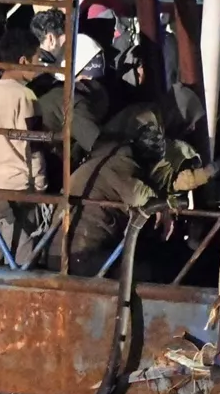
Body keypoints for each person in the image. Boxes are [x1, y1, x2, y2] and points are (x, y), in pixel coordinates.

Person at [48, 112, 163, 276]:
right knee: (146, 272)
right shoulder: (121, 164)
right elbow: (139, 196)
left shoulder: (99, 161)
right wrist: (163, 207)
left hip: (56, 255)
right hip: (80, 257)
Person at [0, 28, 49, 266]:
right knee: (24, 258)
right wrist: (41, 185)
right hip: (19, 187)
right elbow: (34, 146)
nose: (40, 65)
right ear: (23, 61)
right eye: (38, 59)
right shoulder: (27, 97)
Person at [35, 33, 111, 165]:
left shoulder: (65, 91)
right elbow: (99, 145)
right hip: (52, 169)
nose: (93, 80)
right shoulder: (69, 100)